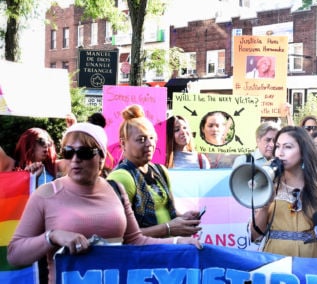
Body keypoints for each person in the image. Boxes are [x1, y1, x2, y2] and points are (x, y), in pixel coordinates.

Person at [7, 122, 202, 284]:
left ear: (101, 157)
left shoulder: (116, 189)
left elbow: (136, 241)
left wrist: (178, 243)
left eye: (84, 153)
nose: (74, 160)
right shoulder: (46, 194)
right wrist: (52, 237)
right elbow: (14, 255)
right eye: (68, 152)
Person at [107, 104, 202, 238]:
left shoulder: (160, 170)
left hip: (167, 251)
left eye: (152, 138)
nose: (149, 144)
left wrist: (184, 218)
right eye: (141, 139)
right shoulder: (121, 178)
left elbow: (169, 211)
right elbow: (120, 235)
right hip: (142, 255)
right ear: (123, 143)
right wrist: (169, 229)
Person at [249, 126, 317, 258]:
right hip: (274, 261)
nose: (280, 153)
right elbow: (254, 236)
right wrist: (265, 205)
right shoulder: (266, 184)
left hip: (312, 265)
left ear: (303, 151)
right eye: (278, 146)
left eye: (288, 147)